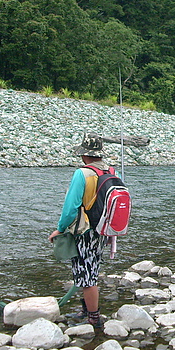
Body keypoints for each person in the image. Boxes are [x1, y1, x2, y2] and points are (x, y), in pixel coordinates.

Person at [49, 132, 110, 327]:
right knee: (90, 269)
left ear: (84, 155)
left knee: (87, 276)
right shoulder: (110, 171)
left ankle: (93, 318)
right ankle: (87, 310)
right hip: (102, 230)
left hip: (84, 231)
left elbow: (71, 207)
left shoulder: (82, 173)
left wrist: (59, 229)